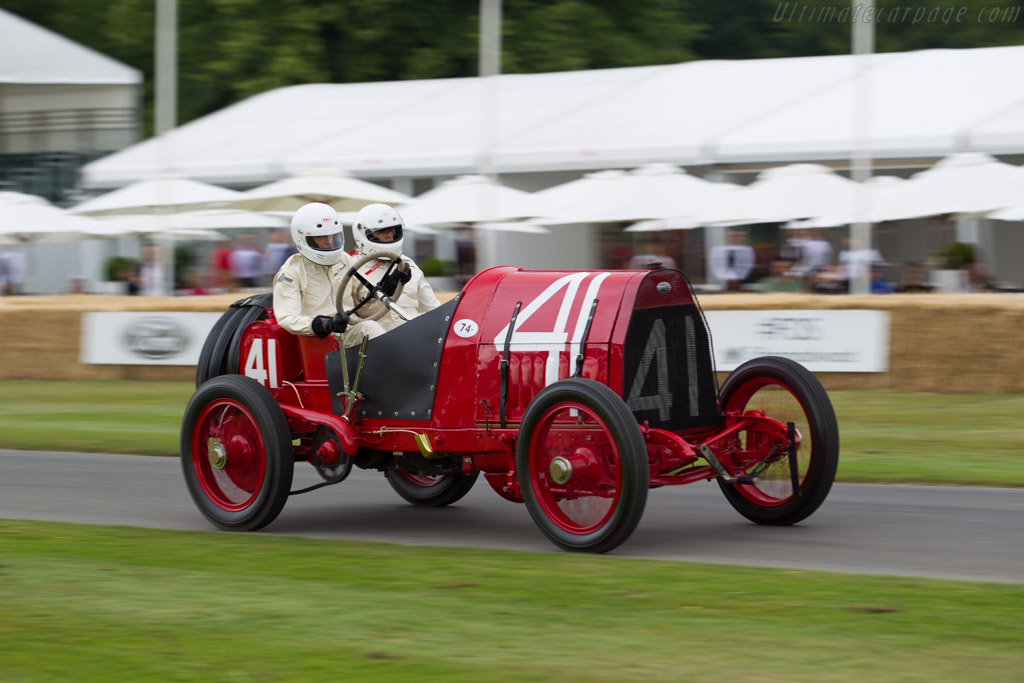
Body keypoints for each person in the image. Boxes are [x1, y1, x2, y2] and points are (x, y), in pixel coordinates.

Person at [343, 203, 440, 333]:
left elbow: (432, 308)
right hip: (381, 338)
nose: (389, 235)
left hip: (418, 331)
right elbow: (347, 317)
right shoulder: (351, 267)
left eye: (391, 230)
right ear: (364, 234)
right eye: (381, 231)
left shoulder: (407, 263)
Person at [272, 202, 355, 342]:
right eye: (321, 237)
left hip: (352, 326)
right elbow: (287, 317)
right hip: (323, 338)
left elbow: (362, 294)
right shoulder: (291, 271)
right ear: (303, 238)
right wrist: (322, 324)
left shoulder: (344, 259)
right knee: (371, 329)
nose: (328, 242)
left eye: (333, 236)